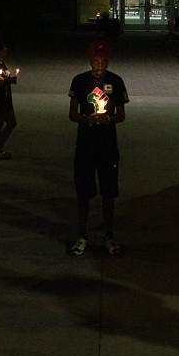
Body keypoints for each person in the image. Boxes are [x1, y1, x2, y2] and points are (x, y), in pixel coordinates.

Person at [68, 40, 129, 256]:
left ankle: (109, 236)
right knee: (83, 192)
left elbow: (121, 115)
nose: (99, 65)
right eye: (95, 60)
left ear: (108, 60)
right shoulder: (80, 81)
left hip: (107, 143)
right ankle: (82, 236)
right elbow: (72, 113)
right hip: (85, 142)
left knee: (108, 193)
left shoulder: (115, 81)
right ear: (89, 60)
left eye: (103, 60)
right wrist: (86, 118)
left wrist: (108, 119)